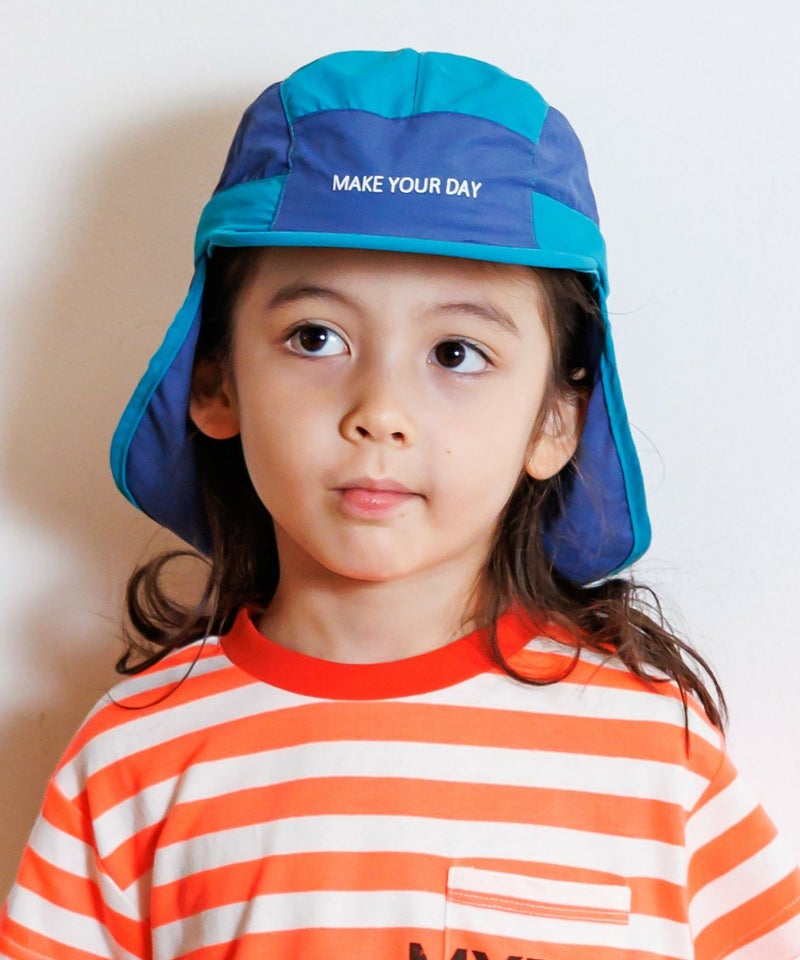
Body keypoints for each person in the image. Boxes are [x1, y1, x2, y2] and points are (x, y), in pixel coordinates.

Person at [1, 48, 798, 960]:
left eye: (456, 353)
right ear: (215, 382)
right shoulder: (129, 765)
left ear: (555, 420)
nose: (380, 411)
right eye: (315, 337)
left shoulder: (655, 755)